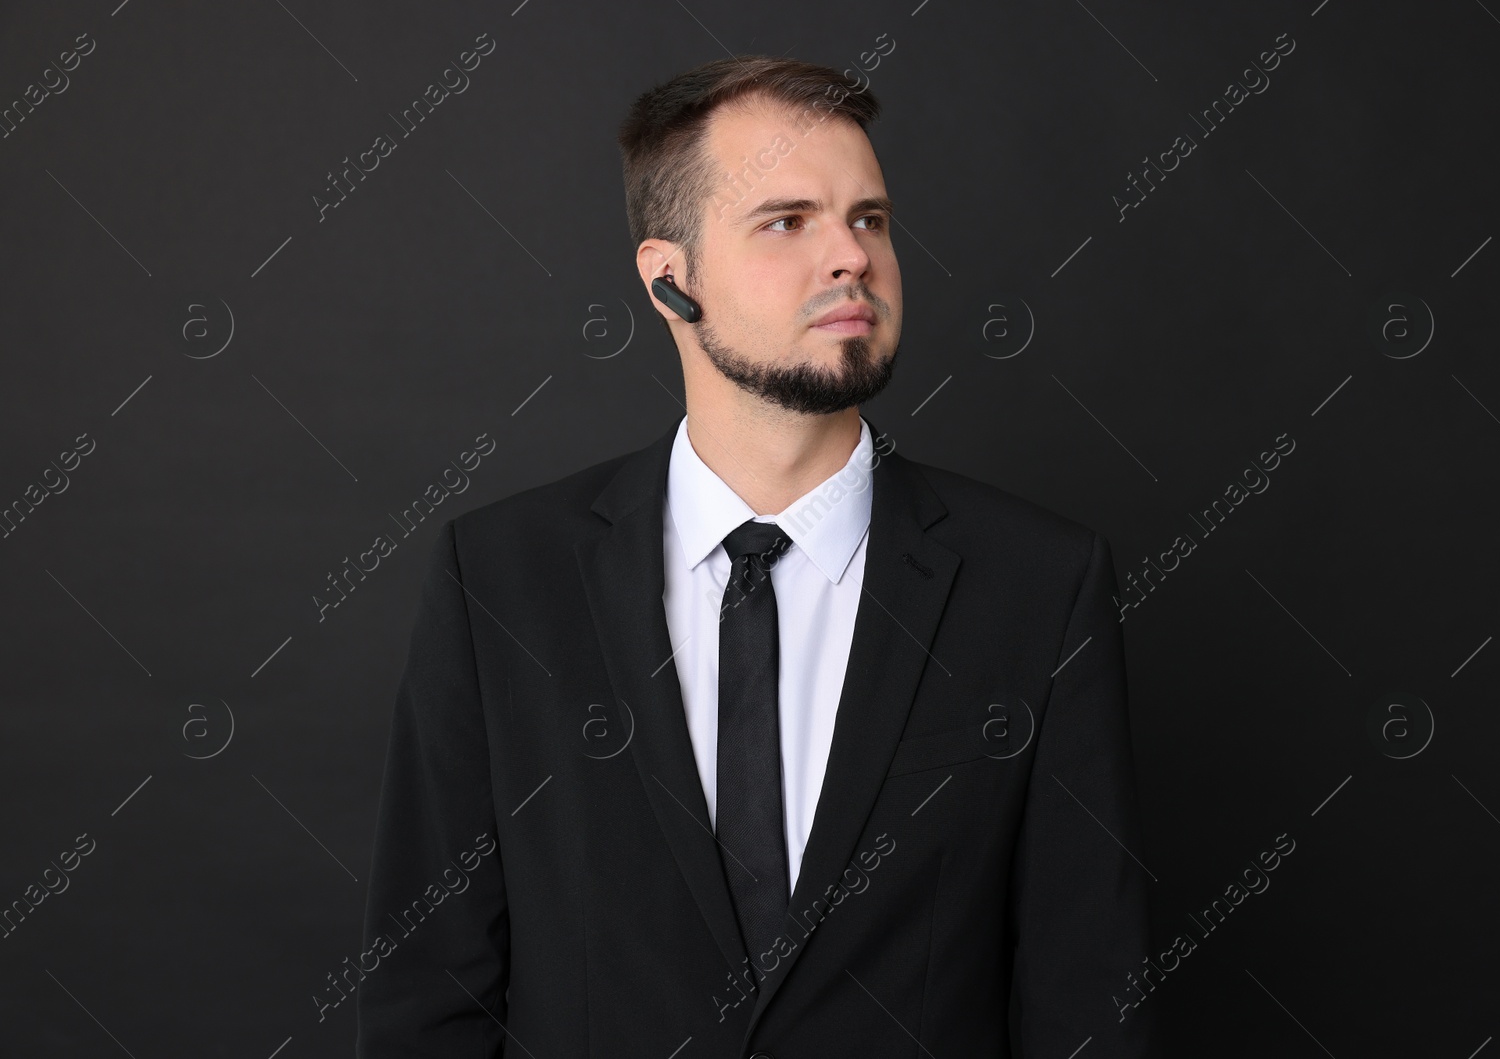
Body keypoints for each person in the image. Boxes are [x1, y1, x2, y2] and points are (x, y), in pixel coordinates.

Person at [356, 55, 1155, 1057]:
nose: (851, 257)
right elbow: (426, 994)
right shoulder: (502, 578)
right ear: (669, 280)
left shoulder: (1040, 582)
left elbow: (1090, 999)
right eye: (787, 220)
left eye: (868, 218)